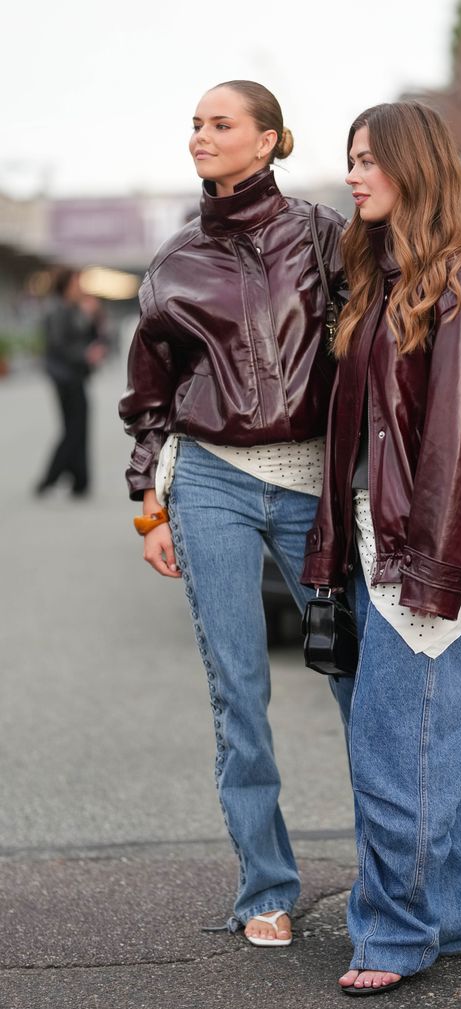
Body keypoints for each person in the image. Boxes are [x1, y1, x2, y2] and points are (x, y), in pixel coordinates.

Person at [301, 102, 461, 995]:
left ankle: (396, 933)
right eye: (350, 158)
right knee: (437, 738)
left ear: (414, 166)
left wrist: (436, 565)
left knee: (396, 745)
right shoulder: (383, 278)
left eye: (369, 160)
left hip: (418, 552)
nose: (354, 174)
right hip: (374, 538)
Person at [118, 80, 346, 946]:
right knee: (238, 691)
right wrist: (152, 505)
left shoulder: (324, 236)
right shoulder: (174, 261)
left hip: (311, 485)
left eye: (221, 124)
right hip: (208, 481)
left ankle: (396, 885)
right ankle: (266, 888)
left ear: (270, 141)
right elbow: (151, 398)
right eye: (195, 124)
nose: (202, 136)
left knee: (356, 681)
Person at [35, 268, 108, 497]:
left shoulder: (76, 309)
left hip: (75, 375)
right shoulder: (57, 309)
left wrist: (93, 316)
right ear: (67, 285)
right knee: (74, 429)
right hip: (64, 376)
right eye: (77, 283)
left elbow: (91, 337)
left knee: (78, 426)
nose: (81, 288)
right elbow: (58, 345)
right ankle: (50, 478)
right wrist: (85, 355)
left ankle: (80, 481)